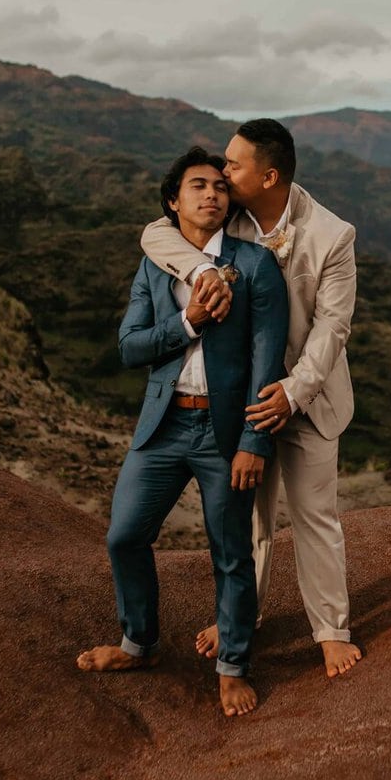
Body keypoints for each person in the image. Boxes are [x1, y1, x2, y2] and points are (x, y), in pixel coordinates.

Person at [141, 119, 362, 679]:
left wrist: (292, 392)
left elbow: (333, 329)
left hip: (307, 398)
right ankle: (244, 616)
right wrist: (202, 269)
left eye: (233, 166)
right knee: (250, 517)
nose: (221, 172)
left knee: (315, 516)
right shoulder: (226, 217)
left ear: (268, 176)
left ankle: (331, 629)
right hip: (240, 398)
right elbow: (153, 233)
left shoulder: (333, 235)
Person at [77, 146, 288, 716]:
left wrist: (254, 440)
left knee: (230, 552)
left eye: (221, 186)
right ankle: (139, 643)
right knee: (124, 535)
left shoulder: (255, 264)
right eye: (198, 186)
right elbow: (129, 346)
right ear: (173, 202)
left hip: (226, 431)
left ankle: (233, 665)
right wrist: (187, 321)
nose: (212, 194)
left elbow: (267, 360)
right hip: (164, 425)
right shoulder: (153, 265)